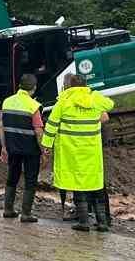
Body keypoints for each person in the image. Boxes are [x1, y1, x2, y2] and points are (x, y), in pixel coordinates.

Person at [42, 72, 113, 232]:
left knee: (77, 185)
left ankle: (84, 222)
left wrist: (46, 145)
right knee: (95, 184)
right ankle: (102, 222)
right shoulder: (95, 99)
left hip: (71, 151)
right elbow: (109, 104)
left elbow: (51, 125)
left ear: (70, 86)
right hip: (91, 151)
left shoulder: (64, 102)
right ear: (85, 85)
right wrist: (93, 94)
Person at [0, 73, 45, 223]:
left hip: (12, 147)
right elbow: (38, 131)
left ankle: (8, 209)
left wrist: (4, 146)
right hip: (30, 149)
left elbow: (1, 126)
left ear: (20, 86)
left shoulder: (7, 102)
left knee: (12, 176)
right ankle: (26, 214)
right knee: (30, 179)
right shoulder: (34, 106)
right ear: (34, 88)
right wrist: (44, 150)